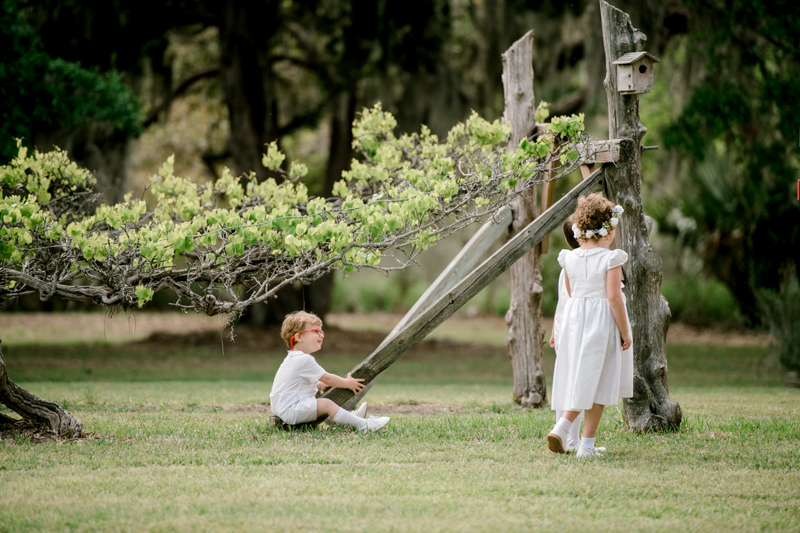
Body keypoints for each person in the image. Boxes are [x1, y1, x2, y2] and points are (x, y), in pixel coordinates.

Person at [547, 193, 633, 458]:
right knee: (599, 379)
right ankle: (576, 437)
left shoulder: (569, 259)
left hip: (575, 322)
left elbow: (571, 294)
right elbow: (613, 297)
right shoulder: (611, 259)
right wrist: (624, 330)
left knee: (583, 376)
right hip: (600, 323)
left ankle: (576, 438)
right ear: (607, 233)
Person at [270, 310, 390, 432]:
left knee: (320, 403)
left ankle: (349, 419)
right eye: (316, 331)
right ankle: (363, 425)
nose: (321, 335)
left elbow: (297, 382)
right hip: (291, 409)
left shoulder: (293, 357)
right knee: (326, 404)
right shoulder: (304, 359)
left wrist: (319, 385)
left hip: (284, 408)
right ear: (299, 337)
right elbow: (327, 378)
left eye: (321, 331)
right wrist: (347, 383)